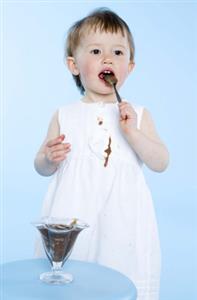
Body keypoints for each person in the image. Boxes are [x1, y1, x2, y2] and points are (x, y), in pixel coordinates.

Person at [34, 8, 169, 300]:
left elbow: (161, 162)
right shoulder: (64, 114)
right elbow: (41, 166)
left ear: (130, 67)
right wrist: (48, 157)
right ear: (73, 65)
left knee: (120, 277)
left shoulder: (138, 115)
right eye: (96, 50)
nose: (108, 58)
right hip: (73, 214)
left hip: (122, 217)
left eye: (118, 53)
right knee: (71, 280)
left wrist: (134, 133)